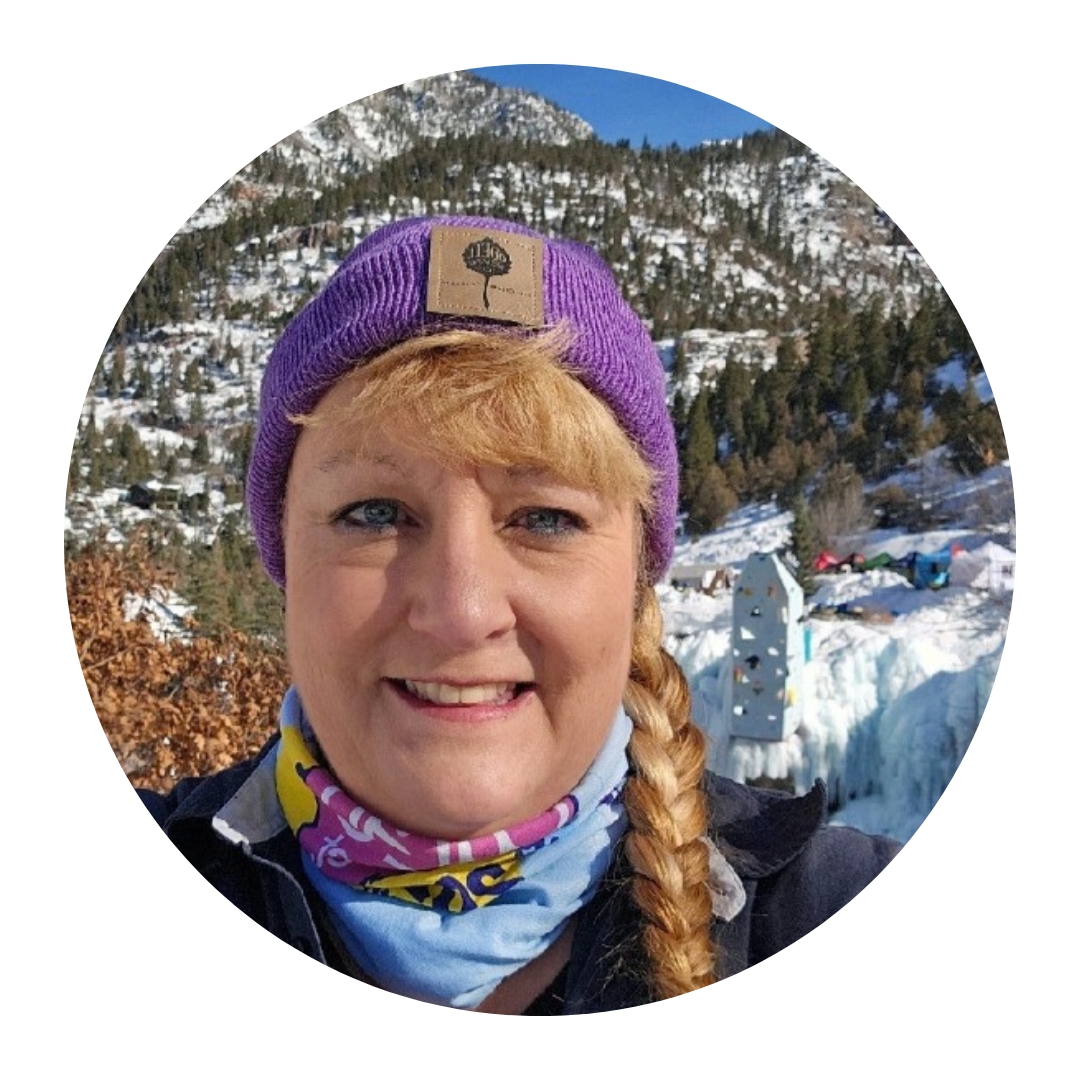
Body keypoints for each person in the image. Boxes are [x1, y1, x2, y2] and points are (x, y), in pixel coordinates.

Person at [139, 215, 899, 1014]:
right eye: (373, 513)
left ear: (635, 581)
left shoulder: (834, 915)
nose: (462, 612)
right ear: (285, 560)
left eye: (545, 519)